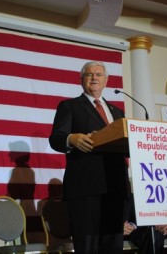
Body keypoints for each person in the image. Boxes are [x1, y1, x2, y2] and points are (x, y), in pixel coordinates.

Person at [49, 61, 129, 253]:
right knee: (88, 246)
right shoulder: (69, 106)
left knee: (113, 245)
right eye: (89, 74)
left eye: (99, 75)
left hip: (115, 186)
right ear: (81, 80)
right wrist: (72, 138)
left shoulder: (118, 112)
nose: (94, 78)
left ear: (106, 80)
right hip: (86, 187)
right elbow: (56, 139)